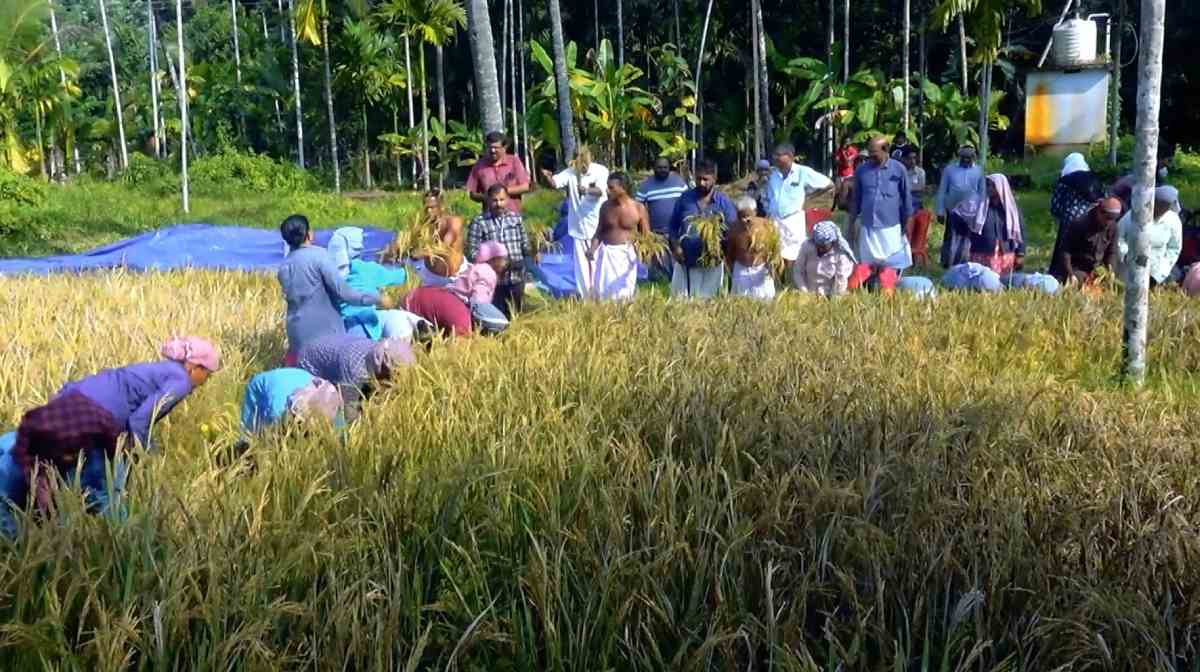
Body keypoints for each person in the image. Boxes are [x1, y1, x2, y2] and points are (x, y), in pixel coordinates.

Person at [9, 337, 218, 518]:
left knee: (62, 479)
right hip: (96, 417)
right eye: (207, 374)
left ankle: (52, 526)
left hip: (70, 401)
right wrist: (148, 457)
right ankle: (113, 542)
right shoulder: (181, 380)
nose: (205, 381)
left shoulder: (161, 369)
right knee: (107, 491)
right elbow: (139, 421)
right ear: (194, 366)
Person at [278, 214, 391, 364]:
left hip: (296, 338)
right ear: (309, 234)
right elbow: (345, 294)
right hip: (326, 337)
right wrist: (377, 298)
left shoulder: (283, 267)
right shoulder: (320, 256)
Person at [327, 226, 432, 343]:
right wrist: (411, 262)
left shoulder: (328, 272)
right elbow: (401, 276)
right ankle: (424, 327)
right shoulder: (367, 268)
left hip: (339, 327)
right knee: (399, 317)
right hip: (367, 323)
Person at [847, 136, 914, 294]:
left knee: (890, 265)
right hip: (868, 226)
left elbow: (907, 201)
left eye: (874, 154)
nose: (871, 157)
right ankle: (869, 289)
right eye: (869, 154)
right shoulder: (862, 170)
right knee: (867, 262)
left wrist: (908, 227)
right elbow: (856, 200)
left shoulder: (899, 169)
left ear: (885, 150)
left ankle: (888, 292)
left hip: (890, 227)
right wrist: (850, 225)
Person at [541, 146, 609, 299]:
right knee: (582, 267)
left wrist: (586, 191)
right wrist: (547, 177)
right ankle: (587, 299)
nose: (582, 167)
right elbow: (555, 183)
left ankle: (602, 296)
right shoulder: (570, 172)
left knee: (598, 264)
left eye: (584, 163)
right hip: (578, 227)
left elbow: (600, 191)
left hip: (597, 227)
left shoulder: (600, 170)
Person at [296, 336, 413, 422]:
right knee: (325, 407)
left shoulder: (377, 349)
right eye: (395, 374)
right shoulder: (355, 368)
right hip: (310, 364)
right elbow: (349, 408)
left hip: (329, 345)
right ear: (382, 366)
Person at [669, 160, 739, 298]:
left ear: (715, 178)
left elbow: (732, 232)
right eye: (699, 178)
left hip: (712, 264)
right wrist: (676, 248)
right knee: (681, 304)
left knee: (709, 303)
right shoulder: (685, 199)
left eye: (706, 179)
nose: (701, 183)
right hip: (686, 262)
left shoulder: (724, 203)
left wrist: (726, 255)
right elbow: (673, 226)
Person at [764, 142, 835, 279]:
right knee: (775, 255)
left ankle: (795, 284)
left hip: (793, 220)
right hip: (775, 220)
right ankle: (780, 284)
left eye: (780, 155)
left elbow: (828, 184)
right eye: (775, 155)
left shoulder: (803, 172)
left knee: (795, 255)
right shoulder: (773, 175)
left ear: (790, 156)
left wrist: (809, 199)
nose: (776, 158)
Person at [464, 184, 534, 318]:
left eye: (502, 200)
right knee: (497, 316)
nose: (499, 204)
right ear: (488, 201)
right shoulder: (480, 222)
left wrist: (532, 255)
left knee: (517, 315)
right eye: (495, 200)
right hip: (492, 281)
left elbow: (525, 244)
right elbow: (471, 253)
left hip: (516, 276)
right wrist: (494, 264)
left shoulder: (515, 219)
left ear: (507, 199)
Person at [588, 173, 650, 302]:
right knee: (603, 293)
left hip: (626, 256)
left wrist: (646, 254)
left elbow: (646, 235)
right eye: (607, 187)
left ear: (623, 188)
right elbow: (599, 231)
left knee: (624, 293)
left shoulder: (638, 208)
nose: (607, 190)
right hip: (606, 254)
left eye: (611, 188)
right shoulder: (605, 207)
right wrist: (592, 249)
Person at [946, 174, 1026, 274]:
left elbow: (1020, 231)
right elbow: (957, 216)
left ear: (1001, 187)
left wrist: (1021, 253)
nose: (990, 188)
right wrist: (967, 233)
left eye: (993, 186)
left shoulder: (1011, 209)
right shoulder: (978, 205)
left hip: (1005, 252)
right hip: (982, 251)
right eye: (988, 185)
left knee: (1004, 284)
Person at [239, 369, 343, 435]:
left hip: (298, 377)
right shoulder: (277, 409)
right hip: (262, 386)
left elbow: (340, 432)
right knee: (251, 433)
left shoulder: (329, 398)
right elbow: (274, 437)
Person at [1116, 186, 1183, 288]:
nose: (1159, 209)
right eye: (1158, 204)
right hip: (1129, 268)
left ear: (1169, 207)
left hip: (1155, 272)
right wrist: (1127, 255)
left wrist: (1159, 274)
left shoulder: (1173, 221)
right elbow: (1118, 237)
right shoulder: (1133, 215)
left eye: (1164, 206)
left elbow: (1174, 249)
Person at [1049, 196, 1123, 287]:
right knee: (1081, 283)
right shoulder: (1080, 224)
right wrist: (1070, 274)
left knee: (1119, 287)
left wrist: (1110, 272)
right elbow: (1065, 251)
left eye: (1113, 219)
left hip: (1097, 269)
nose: (1109, 222)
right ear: (1099, 212)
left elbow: (1112, 252)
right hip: (1078, 269)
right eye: (1107, 218)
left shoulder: (1113, 227)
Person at [635, 157, 688, 280]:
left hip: (678, 232)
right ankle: (664, 285)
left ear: (669, 168)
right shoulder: (646, 185)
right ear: (654, 168)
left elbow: (687, 203)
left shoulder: (679, 183)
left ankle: (679, 285)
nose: (662, 170)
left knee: (679, 261)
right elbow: (638, 207)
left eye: (665, 167)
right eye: (659, 168)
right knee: (661, 263)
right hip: (657, 233)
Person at [934, 145, 986, 267]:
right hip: (953, 210)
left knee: (968, 239)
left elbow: (982, 193)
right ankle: (948, 263)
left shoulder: (979, 171)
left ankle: (966, 263)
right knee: (951, 237)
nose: (966, 160)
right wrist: (940, 211)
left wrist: (982, 212)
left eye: (969, 157)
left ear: (974, 157)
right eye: (964, 157)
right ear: (959, 157)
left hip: (972, 212)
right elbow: (942, 191)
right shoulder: (949, 170)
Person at [1048, 153, 1104, 266]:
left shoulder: (1064, 181)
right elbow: (1104, 198)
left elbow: (1055, 206)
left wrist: (1063, 216)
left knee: (1066, 249)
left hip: (1070, 220)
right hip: (1093, 220)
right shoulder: (1095, 179)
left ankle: (1065, 274)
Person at [447, 241, 512, 334]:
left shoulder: (479, 268)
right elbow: (479, 300)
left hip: (454, 300)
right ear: (493, 259)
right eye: (503, 259)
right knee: (500, 323)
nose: (505, 263)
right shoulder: (487, 273)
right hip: (459, 304)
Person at [725, 196, 778, 300]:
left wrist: (772, 265)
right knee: (740, 303)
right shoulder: (733, 228)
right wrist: (732, 270)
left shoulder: (767, 226)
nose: (745, 220)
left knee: (766, 302)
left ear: (755, 212)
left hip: (762, 270)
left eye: (747, 216)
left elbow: (775, 249)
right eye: (741, 217)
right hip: (741, 270)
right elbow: (730, 253)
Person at [466, 131, 531, 213]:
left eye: (496, 147)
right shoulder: (479, 165)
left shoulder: (514, 161)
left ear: (504, 147)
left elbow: (525, 186)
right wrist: (488, 197)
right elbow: (472, 193)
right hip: (489, 216)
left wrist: (503, 192)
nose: (492, 150)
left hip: (512, 215)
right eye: (490, 147)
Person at [794, 220, 855, 297]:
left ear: (832, 242)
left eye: (824, 246)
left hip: (830, 293)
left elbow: (841, 279)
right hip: (809, 292)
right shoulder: (807, 247)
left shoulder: (840, 254)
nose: (820, 249)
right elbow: (798, 271)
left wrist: (834, 299)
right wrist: (805, 292)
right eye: (818, 245)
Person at [417, 189, 467, 280]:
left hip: (454, 278)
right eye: (426, 208)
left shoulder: (454, 222)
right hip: (429, 276)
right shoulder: (424, 225)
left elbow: (444, 247)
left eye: (432, 207)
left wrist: (422, 253)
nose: (428, 211)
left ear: (441, 207)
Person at [900, 146, 932, 266]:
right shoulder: (899, 171)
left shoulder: (920, 172)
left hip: (916, 206)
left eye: (914, 158)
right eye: (909, 158)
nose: (912, 161)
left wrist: (906, 189)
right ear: (903, 159)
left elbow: (921, 188)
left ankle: (915, 259)